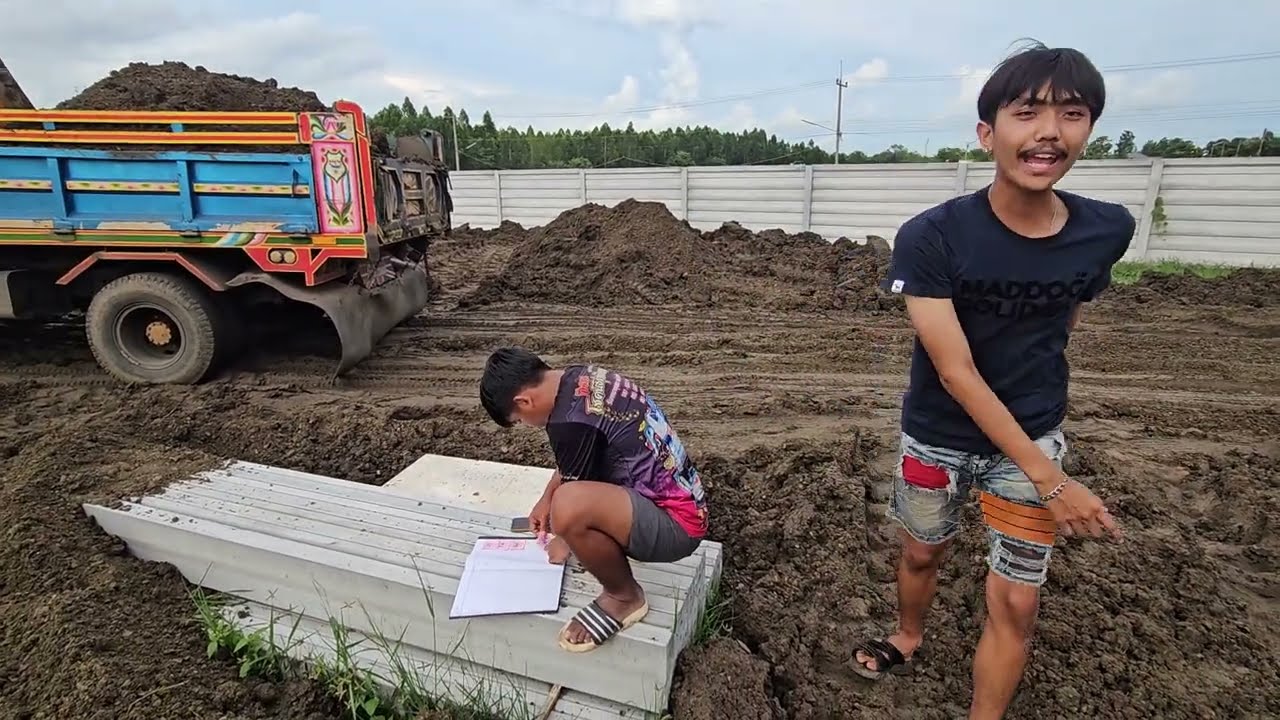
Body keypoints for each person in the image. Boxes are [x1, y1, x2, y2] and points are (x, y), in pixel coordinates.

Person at [853, 41, 1129, 718]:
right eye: (1026, 111)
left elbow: (1063, 316)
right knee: (922, 553)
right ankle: (909, 632)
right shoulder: (932, 237)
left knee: (1017, 601)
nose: (1048, 131)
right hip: (937, 440)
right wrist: (1054, 481)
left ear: (1088, 130)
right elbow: (955, 370)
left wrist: (1039, 463)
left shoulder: (1106, 230)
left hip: (1030, 442)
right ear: (988, 133)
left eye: (1071, 113)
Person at [479, 347, 708, 653]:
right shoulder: (580, 379)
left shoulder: (567, 424)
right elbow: (580, 456)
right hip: (688, 502)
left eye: (519, 420)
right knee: (561, 501)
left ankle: (624, 597)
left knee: (568, 509)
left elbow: (572, 496)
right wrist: (546, 498)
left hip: (676, 528)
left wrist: (566, 534)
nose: (526, 424)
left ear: (524, 402)